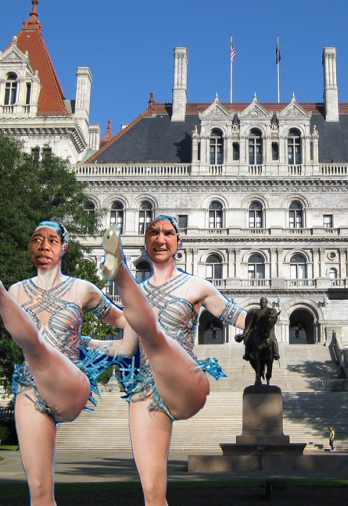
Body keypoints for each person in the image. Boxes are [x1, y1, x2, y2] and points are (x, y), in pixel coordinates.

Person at [0, 221, 152, 506]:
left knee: (35, 346)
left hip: (71, 383)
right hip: (30, 389)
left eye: (52, 241)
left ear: (64, 248)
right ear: (29, 247)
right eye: (36, 240)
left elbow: (125, 319)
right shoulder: (19, 290)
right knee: (40, 496)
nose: (43, 246)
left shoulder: (82, 289)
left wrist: (116, 346)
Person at [102, 216, 247, 506]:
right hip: (148, 388)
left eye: (168, 233)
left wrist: (264, 320)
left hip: (186, 381)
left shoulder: (196, 286)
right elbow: (126, 348)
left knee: (153, 333)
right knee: (152, 492)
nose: (160, 239)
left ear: (178, 243)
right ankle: (119, 271)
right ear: (145, 242)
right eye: (153, 233)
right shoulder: (138, 297)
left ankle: (119, 270)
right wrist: (83, 343)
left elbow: (238, 317)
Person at [235, 296, 280, 361]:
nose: (262, 303)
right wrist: (245, 333)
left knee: (274, 338)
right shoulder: (256, 311)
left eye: (264, 302)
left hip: (267, 329)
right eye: (261, 302)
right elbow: (249, 324)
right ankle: (246, 354)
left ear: (266, 303)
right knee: (249, 338)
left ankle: (276, 353)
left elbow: (274, 319)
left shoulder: (270, 310)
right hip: (256, 329)